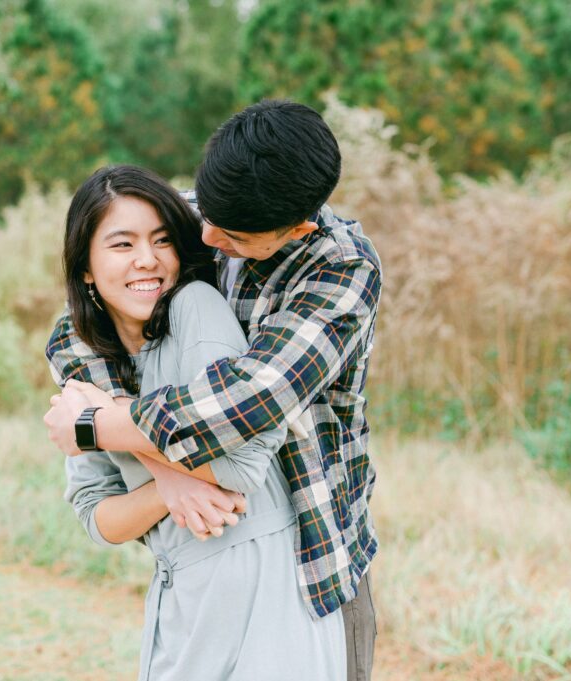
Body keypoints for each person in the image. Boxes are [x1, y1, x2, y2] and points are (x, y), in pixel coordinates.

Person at [45, 100, 381, 680]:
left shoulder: (339, 272)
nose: (203, 236)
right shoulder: (198, 216)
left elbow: (244, 408)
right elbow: (79, 328)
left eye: (230, 236)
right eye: (203, 215)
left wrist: (93, 424)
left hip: (312, 556)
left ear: (295, 229)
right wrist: (169, 476)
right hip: (197, 570)